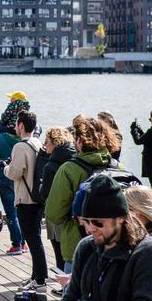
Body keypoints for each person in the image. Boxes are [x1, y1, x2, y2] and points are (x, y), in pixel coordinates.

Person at [45, 115, 118, 272]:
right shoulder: (117, 166)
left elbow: (53, 213)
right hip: (114, 246)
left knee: (75, 293)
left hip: (78, 246)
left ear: (79, 141)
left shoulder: (68, 169)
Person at [5, 110, 47, 287]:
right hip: (38, 196)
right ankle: (36, 276)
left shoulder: (20, 146)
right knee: (35, 237)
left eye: (16, 123)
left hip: (25, 198)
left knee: (33, 240)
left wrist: (5, 168)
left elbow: (15, 173)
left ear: (21, 126)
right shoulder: (37, 142)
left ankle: (39, 278)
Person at [38, 127, 77, 272]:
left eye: (47, 142)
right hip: (73, 213)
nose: (45, 145)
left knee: (59, 252)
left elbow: (44, 194)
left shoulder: (51, 166)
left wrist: (41, 185)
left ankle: (63, 283)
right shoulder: (76, 159)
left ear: (55, 143)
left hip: (57, 213)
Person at [0, 105, 28, 256]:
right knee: (21, 210)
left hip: (4, 176)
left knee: (10, 211)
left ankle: (16, 243)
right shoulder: (23, 138)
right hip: (22, 177)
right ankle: (24, 242)